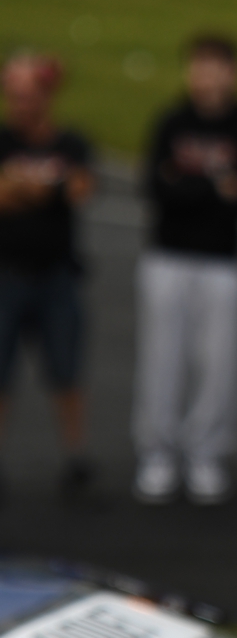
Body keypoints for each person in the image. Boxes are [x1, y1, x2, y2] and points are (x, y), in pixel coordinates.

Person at [132, 35, 237, 505]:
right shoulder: (171, 122)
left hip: (224, 261)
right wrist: (214, 189)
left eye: (215, 68)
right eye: (199, 68)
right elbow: (155, 188)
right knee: (161, 357)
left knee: (219, 362)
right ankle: (158, 452)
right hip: (167, 256)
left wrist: (187, 184)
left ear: (233, 73)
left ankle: (207, 451)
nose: (206, 78)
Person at [0, 52, 95, 497]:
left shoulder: (71, 142)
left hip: (57, 276)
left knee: (66, 371)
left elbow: (81, 188)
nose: (20, 103)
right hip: (6, 275)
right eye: (14, 94)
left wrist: (25, 187)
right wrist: (47, 189)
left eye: (28, 94)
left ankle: (75, 459)